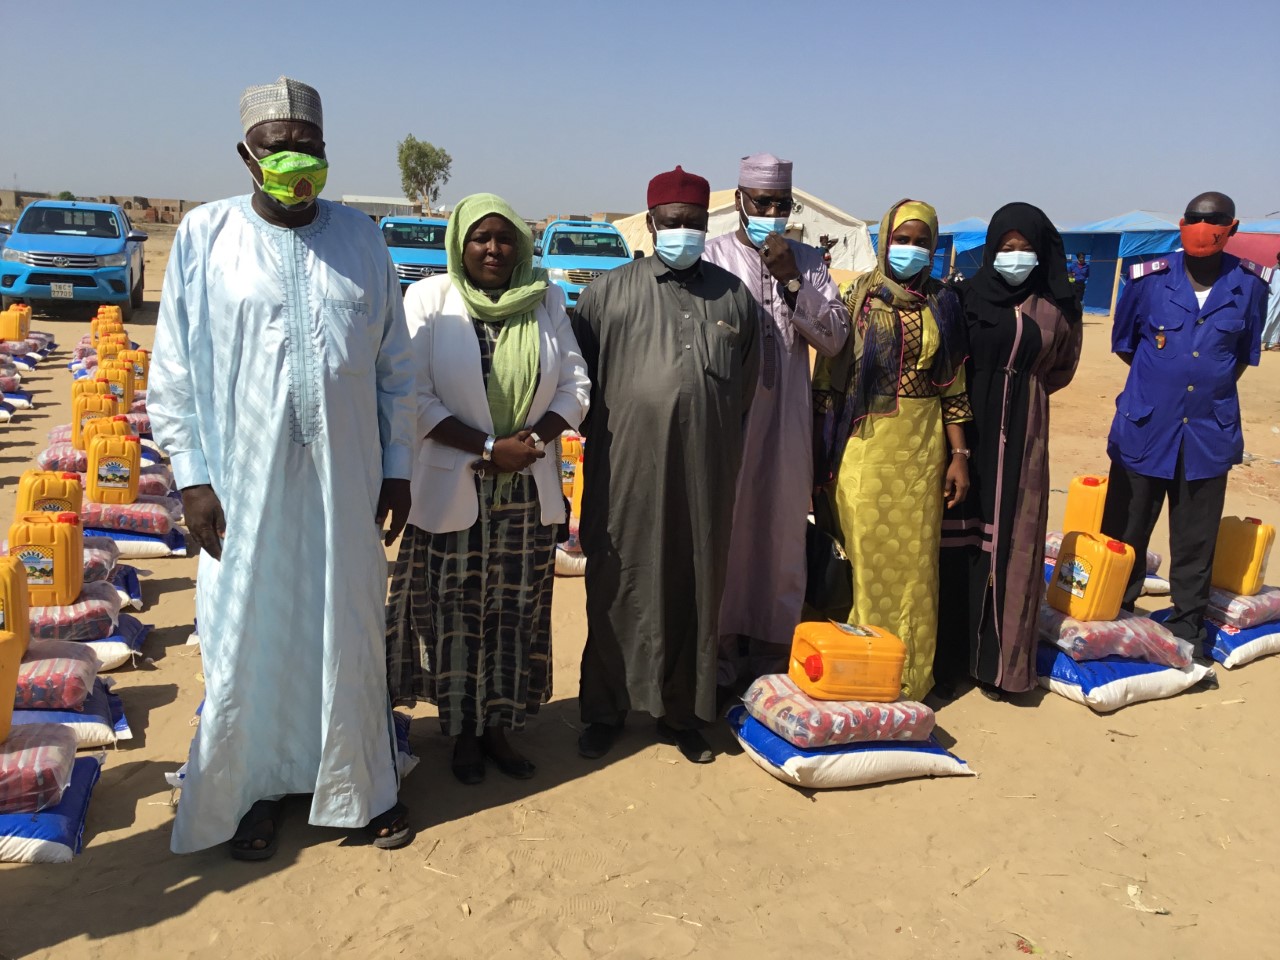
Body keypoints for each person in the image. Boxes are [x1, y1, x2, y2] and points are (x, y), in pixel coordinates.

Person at [149, 77, 415, 858]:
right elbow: (174, 369)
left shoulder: (362, 239)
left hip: (346, 481)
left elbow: (395, 367)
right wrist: (193, 478)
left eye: (310, 147)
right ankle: (255, 791)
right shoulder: (205, 236)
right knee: (249, 633)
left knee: (347, 627)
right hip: (243, 485)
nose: (296, 160)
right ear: (247, 155)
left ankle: (359, 787)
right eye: (278, 148)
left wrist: (397, 466)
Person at [385, 193, 590, 785]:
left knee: (513, 612)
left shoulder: (546, 300)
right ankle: (463, 734)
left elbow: (575, 384)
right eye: (481, 238)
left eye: (505, 238)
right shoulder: (429, 299)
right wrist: (486, 448)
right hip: (454, 484)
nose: (494, 249)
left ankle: (500, 727)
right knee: (453, 610)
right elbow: (413, 393)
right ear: (461, 244)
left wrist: (529, 442)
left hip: (526, 488)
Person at [574, 166, 759, 764]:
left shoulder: (734, 297)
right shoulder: (606, 294)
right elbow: (579, 386)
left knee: (693, 585)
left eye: (694, 222)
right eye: (673, 222)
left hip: (704, 474)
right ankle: (606, 711)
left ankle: (681, 715)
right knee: (617, 583)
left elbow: (744, 388)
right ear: (652, 223)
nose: (684, 231)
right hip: (624, 471)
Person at [701, 153, 850, 689]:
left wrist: (792, 281)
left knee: (782, 529)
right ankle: (717, 657)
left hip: (787, 421)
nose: (771, 212)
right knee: (728, 527)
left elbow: (834, 338)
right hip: (729, 419)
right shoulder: (713, 257)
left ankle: (772, 653)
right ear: (739, 199)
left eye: (780, 204)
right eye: (761, 202)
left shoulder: (809, 262)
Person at [814, 199, 970, 702]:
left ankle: (907, 676)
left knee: (916, 567)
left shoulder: (944, 303)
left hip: (922, 452)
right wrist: (819, 453)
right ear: (884, 240)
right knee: (860, 559)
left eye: (922, 242)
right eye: (902, 239)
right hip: (862, 449)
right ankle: (857, 672)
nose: (911, 249)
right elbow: (828, 381)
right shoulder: (856, 298)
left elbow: (954, 386)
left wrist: (960, 456)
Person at [1099, 192, 1271, 647]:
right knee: (1125, 528)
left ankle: (1187, 626)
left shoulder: (1250, 285)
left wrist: (1200, 387)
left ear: (1232, 228)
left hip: (1208, 431)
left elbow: (1241, 355)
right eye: (1195, 218)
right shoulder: (1148, 279)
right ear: (1181, 223)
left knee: (1196, 538)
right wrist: (1165, 384)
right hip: (1146, 425)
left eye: (1213, 220)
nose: (1203, 227)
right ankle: (1113, 613)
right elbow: (1125, 343)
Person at [935, 203, 1082, 700]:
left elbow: (1061, 368)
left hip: (1024, 433)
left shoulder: (1057, 307)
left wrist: (1022, 389)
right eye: (1005, 247)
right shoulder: (963, 298)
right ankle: (949, 661)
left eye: (1025, 249)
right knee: (956, 545)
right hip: (963, 430)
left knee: (1012, 546)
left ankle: (998, 667)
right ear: (991, 250)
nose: (1015, 257)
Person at [1263, 251, 1280, 350]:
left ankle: (1271, 342)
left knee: (1278, 320)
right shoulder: (1273, 271)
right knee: (1269, 316)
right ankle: (1259, 340)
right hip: (1273, 300)